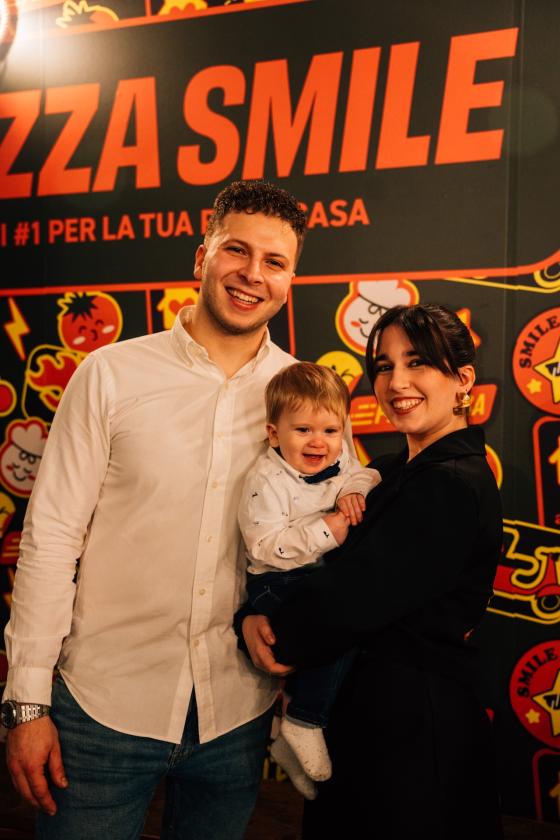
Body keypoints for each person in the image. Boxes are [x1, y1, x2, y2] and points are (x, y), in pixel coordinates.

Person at [1, 179, 308, 840]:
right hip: (100, 711)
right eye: (237, 250)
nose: (252, 274)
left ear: (290, 280)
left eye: (275, 261)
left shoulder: (305, 397)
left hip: (237, 714)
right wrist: (26, 702)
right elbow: (51, 537)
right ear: (202, 256)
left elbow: (323, 545)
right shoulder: (110, 375)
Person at [241, 303, 504, 839]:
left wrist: (263, 626)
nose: (396, 381)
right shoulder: (385, 470)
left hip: (413, 733)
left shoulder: (450, 482)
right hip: (362, 719)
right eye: (384, 366)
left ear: (463, 380)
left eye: (417, 362)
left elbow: (350, 599)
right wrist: (251, 616)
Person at [238, 362, 380, 799]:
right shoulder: (265, 480)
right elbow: (264, 547)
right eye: (303, 430)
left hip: (317, 572)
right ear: (274, 433)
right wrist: (327, 530)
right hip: (275, 580)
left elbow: (366, 472)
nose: (319, 442)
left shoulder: (338, 459)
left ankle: (290, 732)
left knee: (353, 627)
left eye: (330, 431)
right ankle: (303, 721)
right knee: (334, 625)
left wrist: (355, 488)